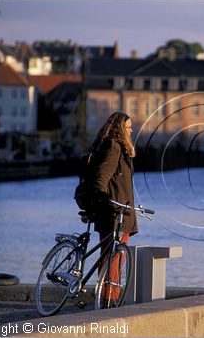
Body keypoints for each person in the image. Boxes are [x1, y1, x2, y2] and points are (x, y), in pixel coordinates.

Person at [89, 111, 137, 302]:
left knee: (110, 256)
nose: (131, 130)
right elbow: (101, 176)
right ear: (120, 129)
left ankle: (106, 297)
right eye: (128, 127)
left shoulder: (110, 146)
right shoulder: (114, 147)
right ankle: (109, 299)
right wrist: (102, 197)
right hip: (115, 211)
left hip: (115, 209)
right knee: (114, 258)